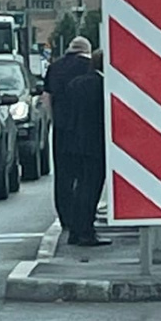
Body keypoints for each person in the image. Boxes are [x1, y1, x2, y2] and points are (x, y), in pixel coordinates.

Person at [42, 35, 92, 231]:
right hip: (87, 128)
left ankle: (66, 218)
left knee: (63, 176)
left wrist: (53, 122)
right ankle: (83, 216)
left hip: (62, 129)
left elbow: (47, 98)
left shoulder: (55, 67)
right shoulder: (89, 67)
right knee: (86, 175)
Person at [65, 49, 109, 247]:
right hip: (95, 144)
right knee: (92, 188)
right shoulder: (104, 86)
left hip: (74, 143)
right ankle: (86, 232)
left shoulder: (75, 84)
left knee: (79, 187)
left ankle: (75, 230)